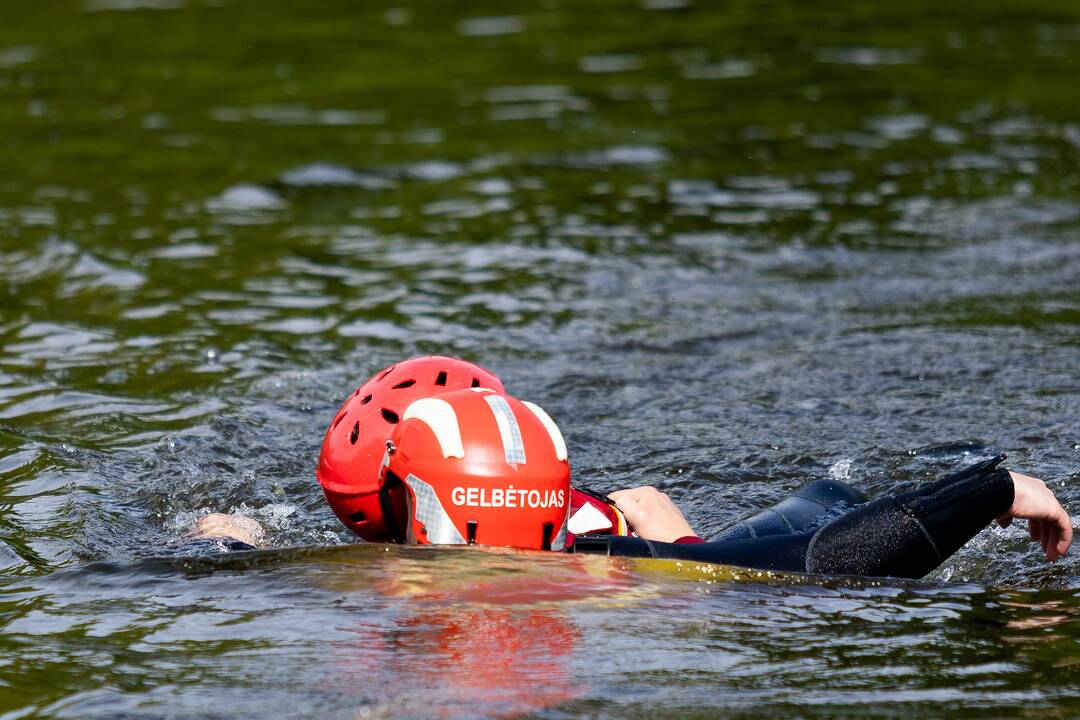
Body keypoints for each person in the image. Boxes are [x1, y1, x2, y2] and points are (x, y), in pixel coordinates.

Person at [190, 356, 1072, 579]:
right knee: (823, 494)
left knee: (826, 495)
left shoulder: (367, 588)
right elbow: (808, 565)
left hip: (689, 555)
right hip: (672, 555)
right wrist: (986, 488)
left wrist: (230, 542)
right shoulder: (606, 564)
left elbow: (827, 563)